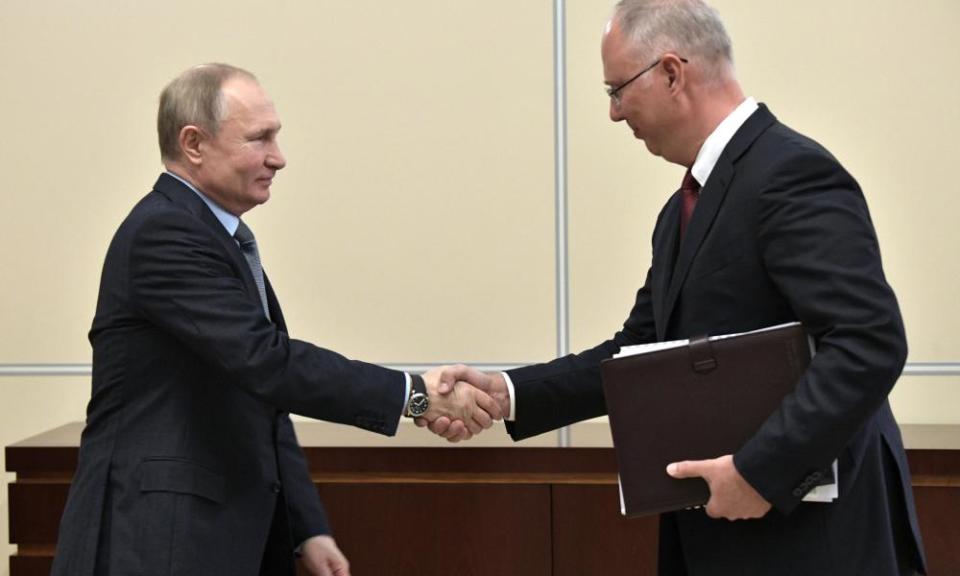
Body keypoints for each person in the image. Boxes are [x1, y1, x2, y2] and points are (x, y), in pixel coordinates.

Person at [423, 1, 927, 574]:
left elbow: (868, 342)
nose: (614, 114)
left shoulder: (791, 174)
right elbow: (638, 353)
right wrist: (506, 392)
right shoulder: (681, 210)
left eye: (617, 91)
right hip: (726, 533)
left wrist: (760, 470)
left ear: (671, 72)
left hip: (810, 540)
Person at [51, 63, 500, 576]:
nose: (278, 158)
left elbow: (260, 393)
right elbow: (267, 363)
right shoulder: (165, 235)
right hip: (156, 542)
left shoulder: (215, 235)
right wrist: (414, 394)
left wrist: (306, 525)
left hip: (209, 538)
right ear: (194, 143)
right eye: (259, 138)